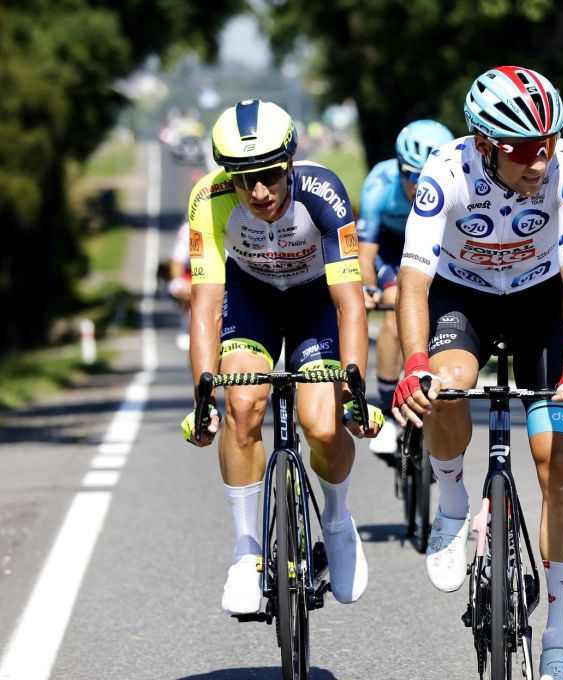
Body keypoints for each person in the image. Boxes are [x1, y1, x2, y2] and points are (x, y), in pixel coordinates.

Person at [392, 66, 563, 680]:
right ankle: (453, 503)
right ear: (485, 146)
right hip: (465, 298)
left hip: (542, 300)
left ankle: (558, 640)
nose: (540, 162)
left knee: (557, 458)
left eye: (547, 145)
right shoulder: (446, 173)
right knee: (446, 386)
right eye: (524, 150)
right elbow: (414, 282)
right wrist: (413, 363)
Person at [182, 99, 379, 614]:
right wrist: (203, 397)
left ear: (289, 162)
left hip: (316, 303)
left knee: (322, 424)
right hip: (253, 302)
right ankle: (247, 550)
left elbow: (350, 303)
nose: (259, 192)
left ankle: (336, 520)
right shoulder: (208, 199)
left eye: (269, 175)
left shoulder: (324, 192)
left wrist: (354, 392)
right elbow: (206, 307)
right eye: (244, 180)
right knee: (242, 404)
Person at [358, 119, 456, 458]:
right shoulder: (379, 184)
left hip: (437, 249)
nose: (417, 185)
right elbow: (365, 253)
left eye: (426, 176)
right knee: (395, 303)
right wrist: (368, 287)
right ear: (399, 168)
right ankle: (388, 410)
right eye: (410, 175)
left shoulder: (458, 183)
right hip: (392, 250)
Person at [165, 219, 192, 351]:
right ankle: (188, 324)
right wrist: (177, 283)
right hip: (196, 274)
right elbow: (177, 260)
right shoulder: (188, 229)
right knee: (189, 288)